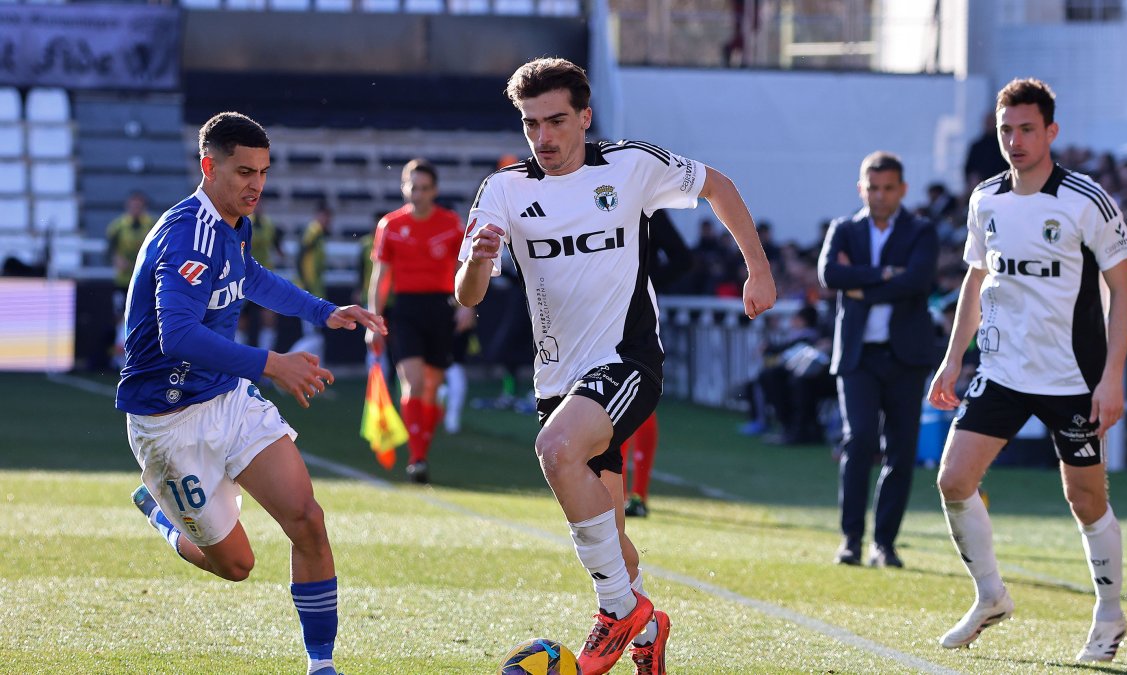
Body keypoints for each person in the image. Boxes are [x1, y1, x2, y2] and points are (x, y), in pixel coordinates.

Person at [456, 57, 775, 675]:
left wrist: (756, 269)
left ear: (585, 117)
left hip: (627, 360)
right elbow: (468, 296)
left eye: (555, 121)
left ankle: (614, 612)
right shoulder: (503, 189)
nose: (543, 137)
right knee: (611, 536)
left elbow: (718, 185)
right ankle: (645, 627)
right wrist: (477, 261)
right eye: (530, 124)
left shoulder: (630, 165)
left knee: (556, 451)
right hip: (558, 378)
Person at [118, 112, 386, 675]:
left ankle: (321, 665)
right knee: (236, 565)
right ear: (208, 166)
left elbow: (252, 276)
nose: (256, 185)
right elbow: (177, 336)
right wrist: (272, 365)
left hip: (228, 399)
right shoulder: (188, 234)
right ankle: (163, 516)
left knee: (307, 519)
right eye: (244, 172)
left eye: (263, 172)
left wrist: (324, 311)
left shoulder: (233, 222)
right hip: (167, 422)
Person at [928, 79, 1127, 662]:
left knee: (1085, 499)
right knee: (953, 480)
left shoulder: (1086, 200)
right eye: (1006, 130)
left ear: (1051, 131)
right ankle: (990, 596)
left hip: (1073, 378)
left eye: (1026, 129)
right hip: (1002, 371)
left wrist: (1112, 376)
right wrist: (953, 360)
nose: (1015, 141)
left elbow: (1123, 293)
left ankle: (1110, 615)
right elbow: (976, 279)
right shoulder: (985, 199)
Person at [817, 151, 939, 568]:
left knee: (901, 451)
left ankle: (884, 543)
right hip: (858, 356)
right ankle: (851, 538)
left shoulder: (921, 230)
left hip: (907, 357)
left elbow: (917, 281)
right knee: (860, 440)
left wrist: (861, 284)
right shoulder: (844, 228)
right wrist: (887, 273)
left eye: (888, 188)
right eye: (873, 188)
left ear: (902, 189)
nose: (880, 195)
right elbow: (830, 275)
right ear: (861, 188)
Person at [366, 159, 468, 483]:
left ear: (434, 190)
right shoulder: (390, 225)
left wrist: (467, 306)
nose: (418, 194)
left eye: (425, 188)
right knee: (413, 382)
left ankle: (421, 450)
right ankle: (417, 459)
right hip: (406, 309)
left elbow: (465, 268)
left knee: (432, 388)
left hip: (441, 308)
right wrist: (374, 320)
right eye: (413, 187)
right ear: (404, 188)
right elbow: (380, 276)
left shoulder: (451, 224)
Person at [621, 209, 693, 518]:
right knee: (608, 398)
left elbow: (683, 259)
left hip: (635, 317)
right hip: (594, 313)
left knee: (635, 396)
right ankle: (623, 493)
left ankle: (635, 494)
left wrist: (644, 284)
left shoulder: (645, 206)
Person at [106, 190, 157, 369]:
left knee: (145, 316)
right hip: (123, 281)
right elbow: (109, 252)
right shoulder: (117, 227)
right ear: (128, 206)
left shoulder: (153, 224)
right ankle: (121, 356)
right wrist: (116, 259)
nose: (136, 208)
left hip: (146, 281)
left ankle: (142, 356)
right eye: (133, 205)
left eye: (139, 205)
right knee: (121, 316)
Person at [237, 209, 283, 352]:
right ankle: (240, 356)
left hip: (263, 280)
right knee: (241, 320)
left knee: (269, 318)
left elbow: (278, 249)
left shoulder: (268, 225)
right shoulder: (242, 223)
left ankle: (266, 355)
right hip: (244, 279)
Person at [294, 203, 333, 358]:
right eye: (325, 216)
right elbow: (299, 257)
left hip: (314, 289)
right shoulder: (313, 231)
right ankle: (293, 358)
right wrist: (305, 283)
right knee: (313, 334)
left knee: (315, 332)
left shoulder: (318, 234)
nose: (327, 220)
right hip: (308, 289)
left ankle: (313, 365)